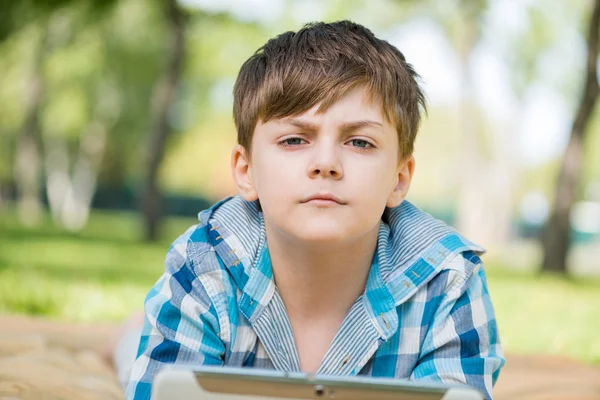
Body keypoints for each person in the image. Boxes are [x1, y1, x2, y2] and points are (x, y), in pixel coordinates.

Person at [122, 20, 504, 400]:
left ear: (399, 178)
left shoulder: (449, 280)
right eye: (293, 139)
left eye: (359, 142)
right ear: (246, 171)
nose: (326, 163)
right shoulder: (203, 266)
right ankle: (125, 339)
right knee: (129, 355)